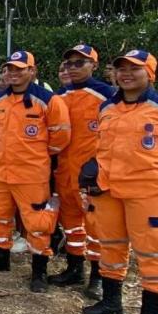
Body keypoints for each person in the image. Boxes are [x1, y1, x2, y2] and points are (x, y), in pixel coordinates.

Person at [81, 49, 158, 314]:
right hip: (108, 190)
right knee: (111, 246)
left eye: (134, 69)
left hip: (148, 194)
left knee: (152, 251)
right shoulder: (108, 107)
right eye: (121, 69)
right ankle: (111, 302)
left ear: (150, 74)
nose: (126, 74)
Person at [0, 51, 70, 293]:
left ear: (32, 71)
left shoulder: (49, 101)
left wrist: (32, 157)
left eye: (19, 69)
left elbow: (60, 138)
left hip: (32, 175)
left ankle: (39, 270)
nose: (13, 73)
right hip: (0, 172)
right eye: (9, 69)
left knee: (38, 224)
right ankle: (1, 258)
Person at [47, 45, 117, 297]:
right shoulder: (58, 96)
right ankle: (75, 268)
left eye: (80, 63)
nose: (73, 68)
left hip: (92, 174)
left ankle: (98, 275)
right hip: (64, 171)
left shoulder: (107, 95)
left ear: (93, 65)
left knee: (96, 226)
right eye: (69, 63)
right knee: (71, 224)